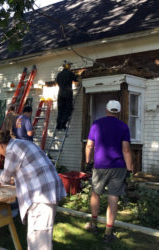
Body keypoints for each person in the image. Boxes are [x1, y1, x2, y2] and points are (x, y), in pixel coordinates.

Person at [0, 130, 66, 250]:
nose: (0, 155)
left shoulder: (11, 149)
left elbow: (5, 176)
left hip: (41, 194)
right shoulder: (21, 143)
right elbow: (27, 168)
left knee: (40, 240)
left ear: (0, 145)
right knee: (36, 236)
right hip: (47, 189)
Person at [84, 100, 133, 243]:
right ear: (118, 112)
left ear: (106, 110)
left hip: (100, 166)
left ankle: (93, 224)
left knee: (95, 194)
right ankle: (108, 232)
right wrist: (129, 168)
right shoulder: (123, 127)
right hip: (118, 167)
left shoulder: (96, 124)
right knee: (113, 198)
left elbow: (89, 146)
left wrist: (88, 162)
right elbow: (126, 150)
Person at [55, 60, 78, 130]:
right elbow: (76, 79)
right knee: (68, 109)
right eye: (69, 65)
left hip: (60, 94)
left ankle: (58, 125)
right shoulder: (69, 73)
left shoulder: (59, 75)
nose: (70, 66)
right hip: (67, 93)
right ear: (67, 66)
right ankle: (63, 124)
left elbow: (57, 82)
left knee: (60, 109)